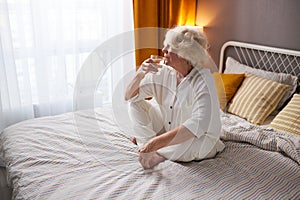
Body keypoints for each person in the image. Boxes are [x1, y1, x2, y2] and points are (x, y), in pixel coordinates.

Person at [124, 26, 225, 169]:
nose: (163, 50)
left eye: (169, 47)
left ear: (185, 54)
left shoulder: (204, 80)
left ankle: (150, 147)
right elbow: (129, 96)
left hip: (199, 138)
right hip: (168, 129)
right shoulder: (164, 72)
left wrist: (155, 143)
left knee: (190, 146)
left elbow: (198, 124)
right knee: (135, 104)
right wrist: (140, 74)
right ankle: (146, 145)